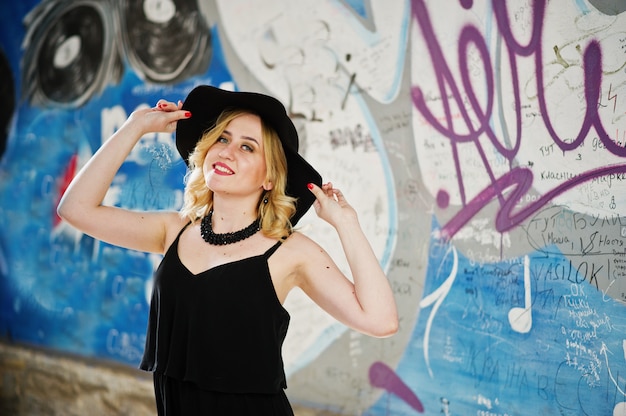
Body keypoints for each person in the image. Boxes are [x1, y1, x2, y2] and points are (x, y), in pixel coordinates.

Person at [57, 85, 398, 415]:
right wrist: (136, 127)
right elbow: (75, 209)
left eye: (248, 147)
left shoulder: (290, 252)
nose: (227, 151)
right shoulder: (173, 231)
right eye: (222, 138)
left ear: (269, 178)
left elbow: (380, 320)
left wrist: (346, 224)